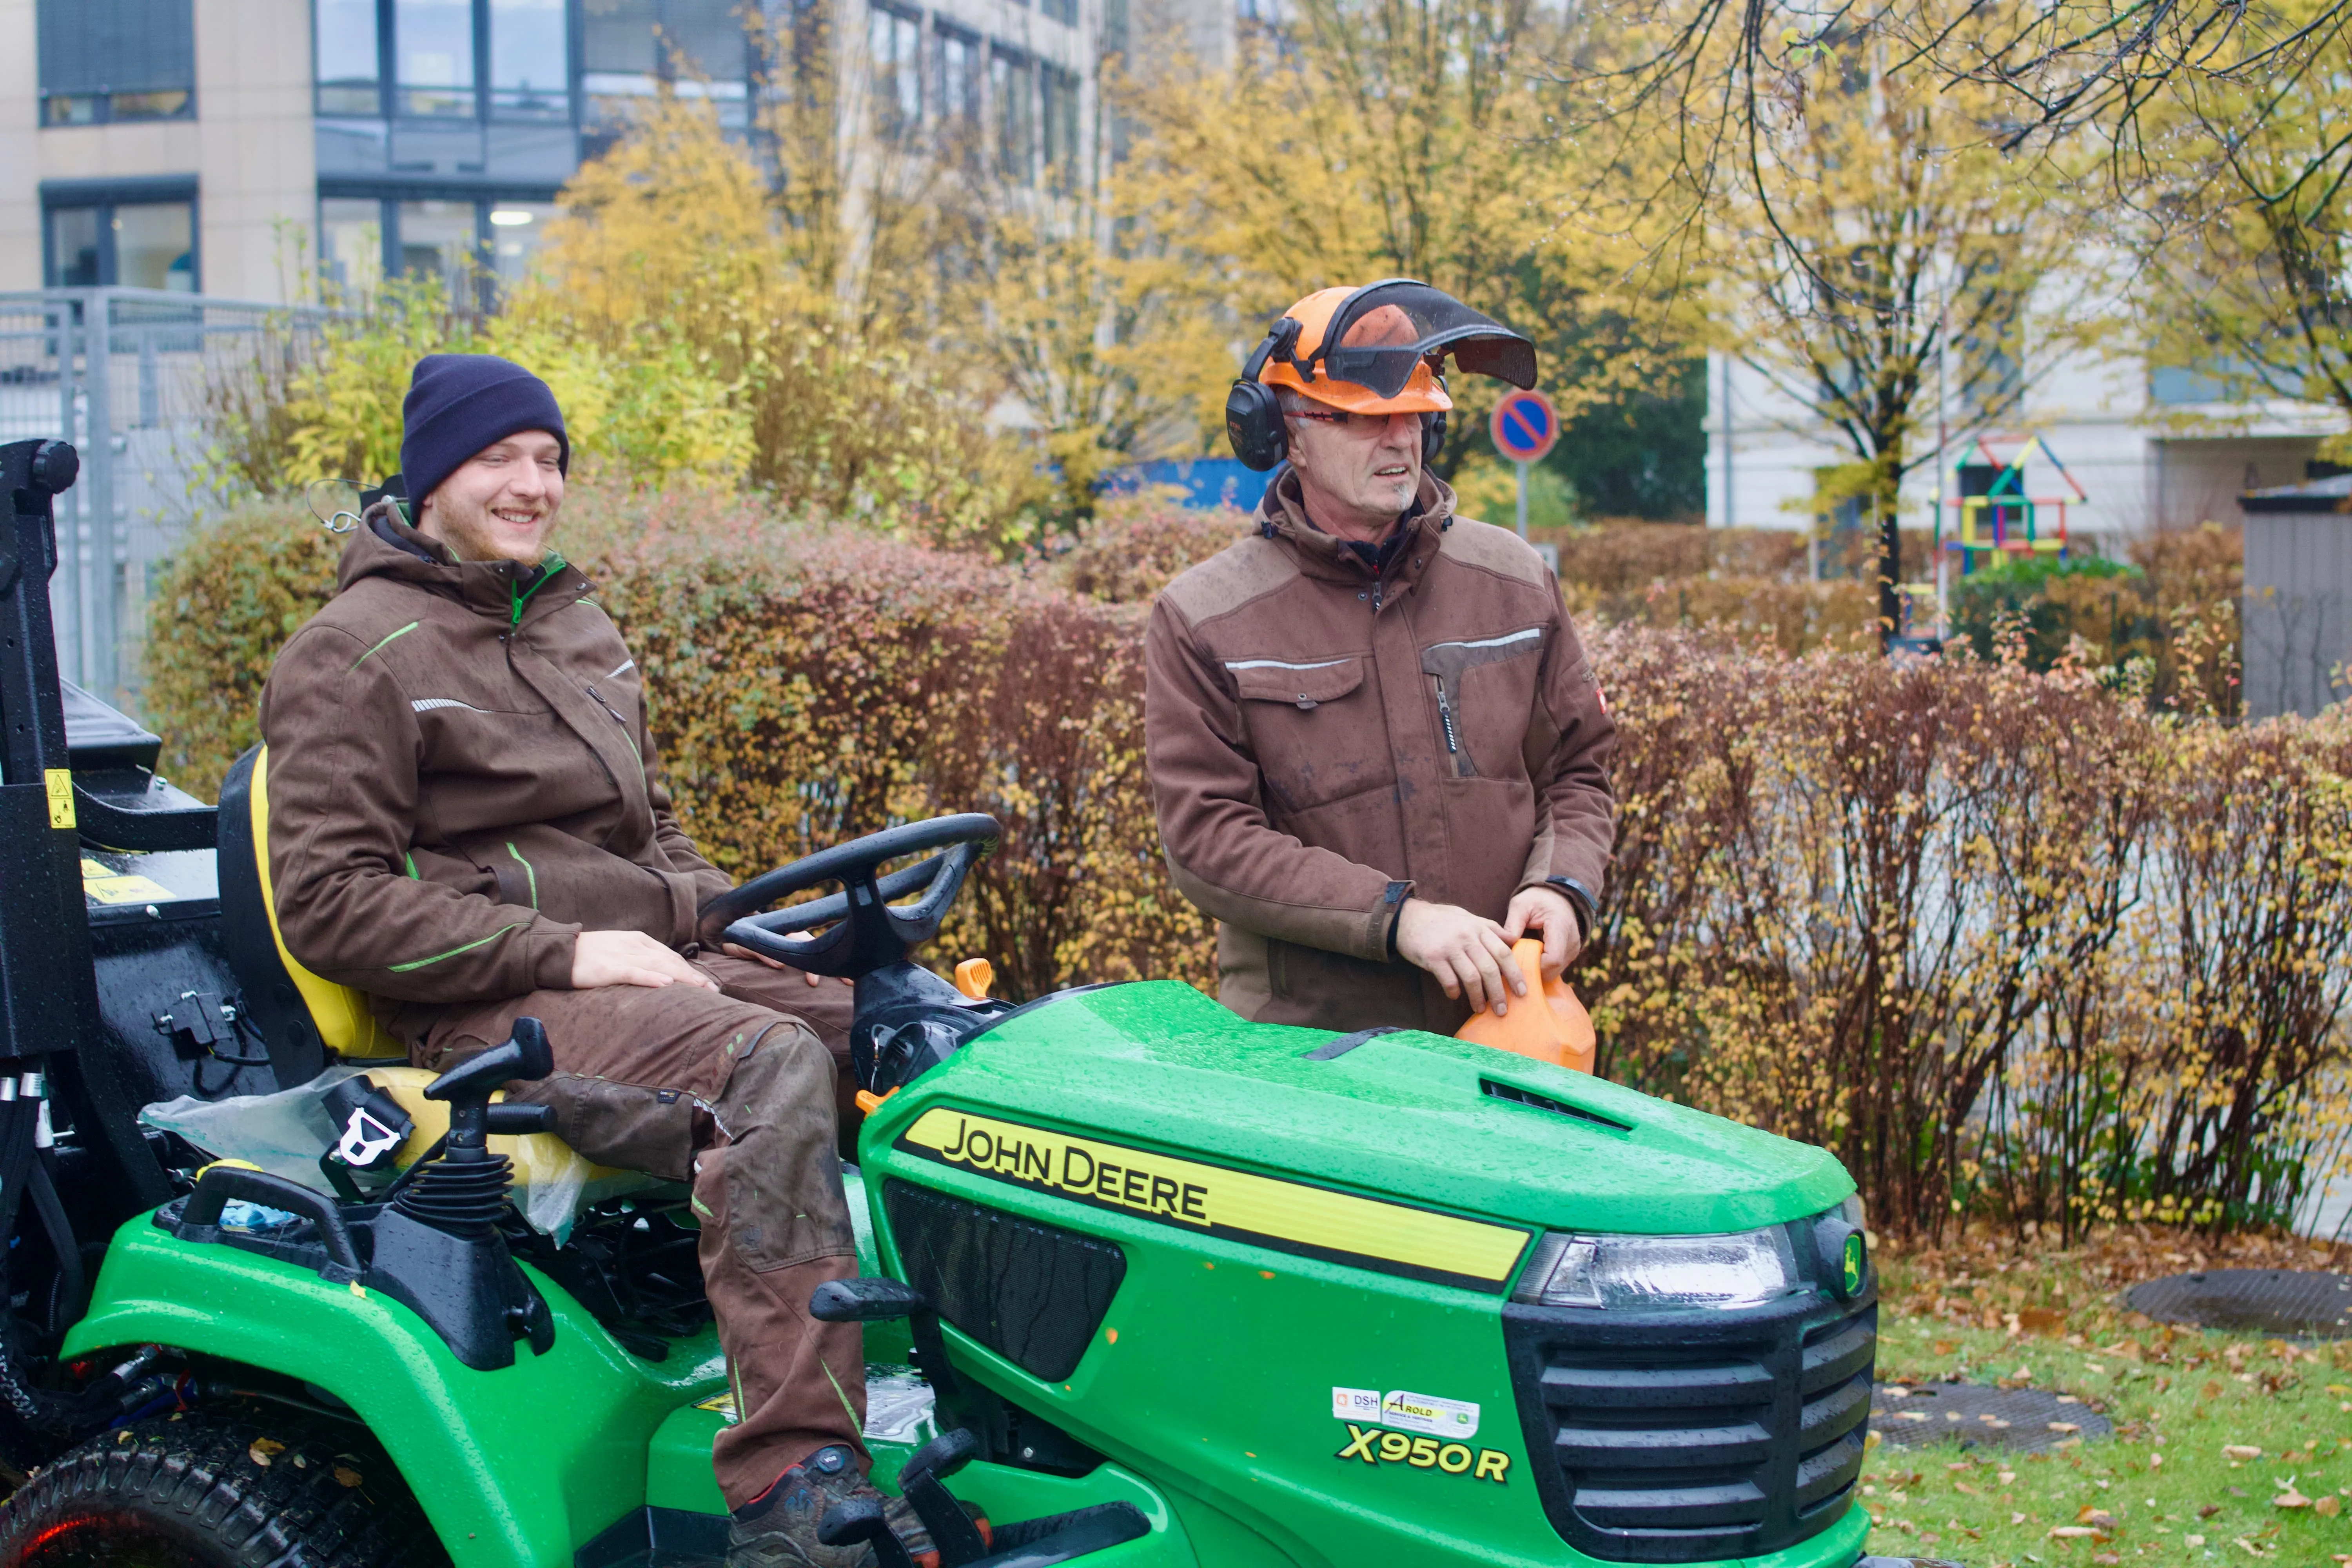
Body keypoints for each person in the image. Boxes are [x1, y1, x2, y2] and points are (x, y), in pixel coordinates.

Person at [260, 354, 913, 1568]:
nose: (532, 484)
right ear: (431, 477)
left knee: (927, 1033)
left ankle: (1008, 1407)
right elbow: (331, 904)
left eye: (549, 459)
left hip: (633, 963)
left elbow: (651, 837)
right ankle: (793, 1489)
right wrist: (571, 949)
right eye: (499, 458)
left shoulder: (573, 620)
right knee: (763, 1067)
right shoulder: (352, 654)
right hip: (491, 1004)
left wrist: (762, 924)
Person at [1145, 283, 1615, 1034]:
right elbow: (1209, 842)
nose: (1400, 438)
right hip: (1312, 1059)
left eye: (1415, 415)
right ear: (1287, 431)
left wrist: (1563, 886)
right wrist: (1397, 921)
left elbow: (1578, 770)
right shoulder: (1205, 619)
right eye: (1364, 418)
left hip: (1510, 1031)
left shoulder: (1514, 580)